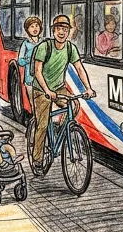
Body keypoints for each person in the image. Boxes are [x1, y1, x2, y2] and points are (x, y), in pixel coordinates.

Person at [30, 15, 95, 165]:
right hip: (41, 89)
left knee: (74, 105)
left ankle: (60, 130)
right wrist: (46, 90)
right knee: (42, 125)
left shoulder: (70, 48)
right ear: (53, 31)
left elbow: (79, 68)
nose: (62, 32)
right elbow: (37, 71)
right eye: (59, 29)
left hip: (59, 88)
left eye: (65, 29)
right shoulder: (44, 47)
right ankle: (37, 160)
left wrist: (88, 88)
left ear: (69, 32)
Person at [16, 16, 43, 109]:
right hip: (30, 79)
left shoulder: (43, 42)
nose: (35, 28)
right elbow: (20, 61)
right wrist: (30, 59)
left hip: (43, 79)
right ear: (27, 29)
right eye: (32, 26)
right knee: (33, 104)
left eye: (37, 26)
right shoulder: (25, 43)